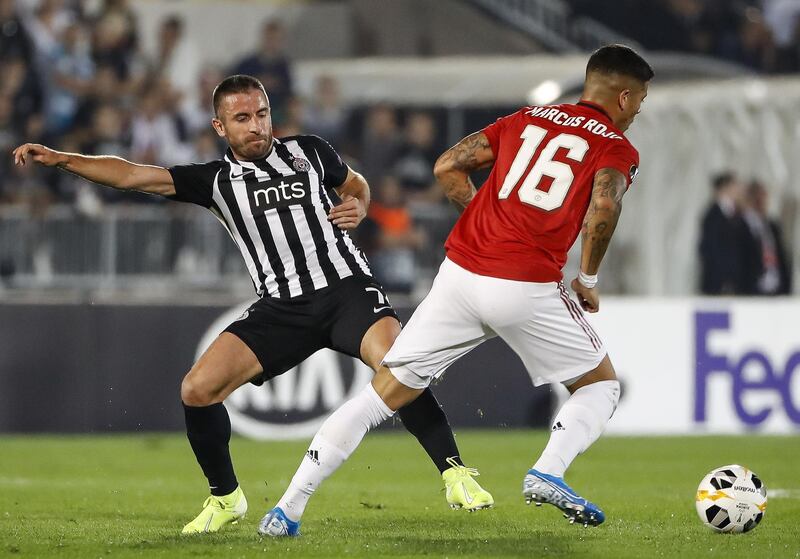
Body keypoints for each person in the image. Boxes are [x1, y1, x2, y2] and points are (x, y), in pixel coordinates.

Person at [12, 74, 492, 535]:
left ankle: (455, 475)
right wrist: (61, 159)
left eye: (262, 113)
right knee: (197, 389)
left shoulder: (309, 151)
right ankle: (226, 498)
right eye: (242, 118)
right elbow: (132, 175)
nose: (257, 125)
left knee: (398, 365)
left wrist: (360, 205)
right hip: (282, 307)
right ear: (220, 127)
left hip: (347, 289)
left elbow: (357, 185)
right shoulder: (214, 180)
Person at [262, 44, 653, 536]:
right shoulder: (616, 147)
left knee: (379, 397)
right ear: (622, 96)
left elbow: (447, 166)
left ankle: (286, 510)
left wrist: (481, 218)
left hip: (460, 274)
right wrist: (588, 279)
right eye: (640, 99)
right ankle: (548, 472)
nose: (639, 109)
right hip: (525, 283)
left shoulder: (526, 119)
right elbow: (604, 206)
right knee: (599, 386)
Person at [698, 172, 748, 295]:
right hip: (719, 283)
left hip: (734, 282)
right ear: (725, 188)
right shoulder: (713, 215)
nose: (738, 190)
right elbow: (710, 249)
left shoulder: (736, 214)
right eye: (735, 185)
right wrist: (724, 278)